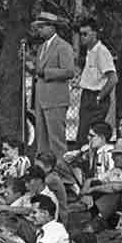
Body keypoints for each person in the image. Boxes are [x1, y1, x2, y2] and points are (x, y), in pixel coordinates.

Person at [29, 13, 78, 160]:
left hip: (56, 99)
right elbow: (38, 71)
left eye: (42, 26)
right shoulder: (42, 47)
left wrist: (44, 72)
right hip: (41, 99)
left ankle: (62, 172)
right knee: (42, 139)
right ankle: (43, 170)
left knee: (56, 140)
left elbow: (69, 71)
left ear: (52, 27)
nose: (39, 30)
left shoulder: (64, 46)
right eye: (38, 27)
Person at [75, 20, 118, 138]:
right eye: (80, 34)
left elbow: (113, 78)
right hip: (87, 95)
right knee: (83, 134)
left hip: (96, 97)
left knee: (91, 134)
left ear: (94, 34)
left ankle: (92, 155)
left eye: (85, 34)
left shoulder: (101, 51)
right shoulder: (90, 51)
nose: (82, 37)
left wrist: (99, 97)